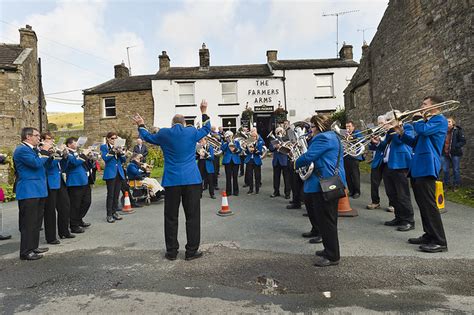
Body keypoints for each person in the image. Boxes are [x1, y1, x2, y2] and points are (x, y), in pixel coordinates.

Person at [132, 100, 210, 261]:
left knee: (171, 217)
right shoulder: (191, 132)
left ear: (172, 123)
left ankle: (172, 252)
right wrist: (203, 111)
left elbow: (147, 136)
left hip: (172, 180)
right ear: (184, 123)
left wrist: (141, 124)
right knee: (193, 216)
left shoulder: (165, 133)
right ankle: (191, 251)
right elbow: (207, 128)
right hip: (191, 179)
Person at [397, 96, 448, 253]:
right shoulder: (427, 122)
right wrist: (401, 133)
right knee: (423, 205)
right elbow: (415, 142)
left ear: (435, 106)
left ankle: (440, 241)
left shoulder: (439, 120)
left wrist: (418, 119)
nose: (421, 106)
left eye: (424, 104)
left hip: (427, 166)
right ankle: (429, 235)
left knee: (430, 205)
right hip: (418, 166)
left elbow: (422, 130)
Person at [295, 114, 346, 267]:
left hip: (323, 183)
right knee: (327, 220)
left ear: (319, 126)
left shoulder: (323, 138)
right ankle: (328, 249)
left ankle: (332, 256)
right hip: (329, 181)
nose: (310, 130)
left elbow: (309, 156)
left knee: (326, 221)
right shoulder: (333, 136)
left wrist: (296, 161)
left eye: (312, 127)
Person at [13, 127, 52, 260]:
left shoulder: (33, 149)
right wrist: (45, 151)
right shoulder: (21, 149)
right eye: (36, 135)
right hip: (28, 190)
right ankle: (25, 252)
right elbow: (35, 164)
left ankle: (33, 247)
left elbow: (43, 165)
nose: (39, 138)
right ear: (28, 137)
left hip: (38, 189)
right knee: (28, 223)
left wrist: (51, 154)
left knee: (36, 222)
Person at [374, 111, 415, 232]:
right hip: (389, 164)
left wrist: (393, 129)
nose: (387, 123)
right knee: (392, 194)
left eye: (389, 121)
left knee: (403, 194)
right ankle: (399, 217)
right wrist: (377, 143)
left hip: (401, 163)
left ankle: (408, 220)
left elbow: (399, 141)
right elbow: (385, 146)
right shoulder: (390, 132)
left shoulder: (407, 127)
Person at [40, 132, 75, 244]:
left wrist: (65, 156)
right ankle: (51, 237)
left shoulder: (53, 149)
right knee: (50, 211)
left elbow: (63, 167)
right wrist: (58, 154)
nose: (52, 141)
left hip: (59, 180)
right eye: (49, 139)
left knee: (65, 206)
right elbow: (49, 166)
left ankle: (64, 231)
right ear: (43, 140)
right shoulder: (42, 151)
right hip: (49, 181)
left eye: (52, 139)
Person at [64, 137, 92, 233]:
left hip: (84, 180)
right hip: (74, 182)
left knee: (86, 202)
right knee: (75, 205)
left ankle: (79, 219)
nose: (77, 144)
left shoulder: (78, 152)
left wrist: (90, 158)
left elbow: (85, 164)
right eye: (75, 142)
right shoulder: (68, 153)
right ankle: (74, 225)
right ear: (69, 144)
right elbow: (75, 162)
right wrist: (84, 154)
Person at [100, 132, 126, 223]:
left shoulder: (119, 147)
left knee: (116, 194)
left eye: (115, 138)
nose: (114, 140)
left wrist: (121, 153)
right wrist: (113, 151)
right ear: (107, 139)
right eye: (112, 138)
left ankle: (115, 212)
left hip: (119, 172)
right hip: (110, 173)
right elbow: (105, 158)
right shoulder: (104, 147)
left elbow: (124, 160)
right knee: (110, 194)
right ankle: (109, 214)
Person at [441, 117, 466, 190]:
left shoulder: (457, 131)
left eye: (449, 122)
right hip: (444, 154)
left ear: (453, 123)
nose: (447, 123)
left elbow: (463, 141)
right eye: (446, 122)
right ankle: (446, 184)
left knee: (456, 169)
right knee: (445, 169)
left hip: (455, 153)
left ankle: (456, 184)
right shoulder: (443, 131)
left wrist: (455, 146)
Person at [269, 127, 291, 199]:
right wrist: (275, 146)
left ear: (283, 131)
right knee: (276, 177)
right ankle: (276, 191)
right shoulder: (273, 139)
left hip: (284, 160)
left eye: (280, 131)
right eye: (277, 131)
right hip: (276, 160)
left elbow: (289, 149)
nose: (279, 133)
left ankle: (287, 193)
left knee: (286, 178)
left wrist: (281, 143)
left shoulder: (286, 138)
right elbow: (271, 149)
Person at [343, 121, 363, 198]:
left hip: (354, 157)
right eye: (346, 127)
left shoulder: (357, 132)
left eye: (349, 126)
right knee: (347, 175)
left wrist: (352, 138)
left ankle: (357, 192)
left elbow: (362, 139)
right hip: (346, 156)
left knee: (355, 175)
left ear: (353, 127)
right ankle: (351, 191)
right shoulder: (345, 134)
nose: (348, 128)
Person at [221, 130, 242, 196]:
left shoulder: (236, 142)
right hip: (227, 161)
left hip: (235, 160)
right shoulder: (225, 143)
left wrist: (235, 150)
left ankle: (236, 191)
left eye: (229, 136)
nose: (228, 138)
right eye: (227, 136)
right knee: (228, 177)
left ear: (232, 136)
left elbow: (240, 150)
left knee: (235, 177)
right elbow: (222, 149)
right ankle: (228, 191)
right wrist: (227, 143)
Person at [244, 128, 264, 195]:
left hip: (256, 160)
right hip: (249, 160)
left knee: (257, 176)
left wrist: (255, 150)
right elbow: (246, 152)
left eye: (254, 136)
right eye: (252, 136)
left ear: (256, 137)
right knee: (250, 175)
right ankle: (251, 189)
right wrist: (246, 149)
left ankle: (257, 189)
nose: (253, 137)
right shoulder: (248, 142)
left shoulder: (259, 143)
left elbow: (261, 152)